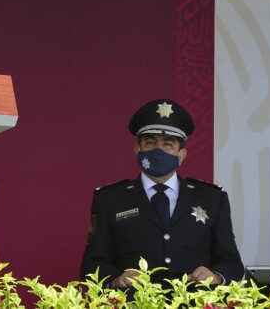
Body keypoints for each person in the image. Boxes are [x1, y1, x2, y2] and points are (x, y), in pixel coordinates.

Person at [80, 98, 244, 290]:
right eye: (150, 143)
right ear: (137, 149)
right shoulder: (110, 199)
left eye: (168, 144)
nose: (158, 150)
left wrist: (215, 276)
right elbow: (92, 264)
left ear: (181, 155)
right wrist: (116, 279)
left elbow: (232, 263)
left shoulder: (212, 199)